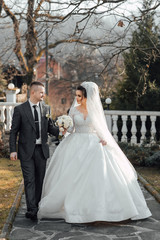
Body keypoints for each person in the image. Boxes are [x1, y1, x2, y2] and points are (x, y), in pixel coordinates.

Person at [38, 81, 151, 223]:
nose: (77, 98)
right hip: (76, 142)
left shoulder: (95, 110)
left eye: (80, 96)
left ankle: (103, 210)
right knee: (73, 176)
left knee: (99, 175)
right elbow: (71, 129)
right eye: (77, 95)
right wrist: (64, 129)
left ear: (87, 96)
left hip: (94, 143)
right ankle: (75, 209)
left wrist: (104, 139)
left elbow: (101, 128)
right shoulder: (73, 110)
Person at [9, 81, 59, 220]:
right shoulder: (20, 110)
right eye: (41, 92)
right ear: (33, 93)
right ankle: (31, 209)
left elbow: (51, 128)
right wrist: (13, 150)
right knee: (29, 180)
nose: (44, 94)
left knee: (39, 180)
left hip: (41, 151)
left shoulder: (46, 109)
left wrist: (61, 129)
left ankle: (36, 205)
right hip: (25, 151)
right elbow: (14, 132)